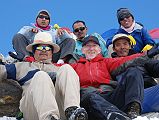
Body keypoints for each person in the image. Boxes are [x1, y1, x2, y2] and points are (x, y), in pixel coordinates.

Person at [0, 32, 88, 120]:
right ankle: (48, 117)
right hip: (33, 109)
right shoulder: (22, 66)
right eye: (39, 47)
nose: (44, 50)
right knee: (41, 75)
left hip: (59, 110)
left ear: (52, 52)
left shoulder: (59, 69)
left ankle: (72, 110)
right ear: (33, 52)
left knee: (67, 68)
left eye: (47, 48)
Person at [111, 33, 159, 113]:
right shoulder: (111, 64)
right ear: (114, 49)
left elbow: (154, 66)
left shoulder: (141, 59)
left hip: (149, 93)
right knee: (133, 71)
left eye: (125, 44)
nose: (122, 47)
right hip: (128, 99)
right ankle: (134, 108)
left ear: (130, 46)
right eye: (118, 45)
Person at [10, 9, 75, 63]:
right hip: (33, 55)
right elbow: (18, 37)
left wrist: (63, 32)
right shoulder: (27, 28)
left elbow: (69, 40)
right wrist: (30, 32)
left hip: (51, 56)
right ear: (36, 19)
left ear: (49, 21)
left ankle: (60, 62)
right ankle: (27, 59)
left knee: (70, 41)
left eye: (46, 18)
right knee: (17, 37)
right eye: (41, 17)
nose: (44, 19)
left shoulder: (54, 31)